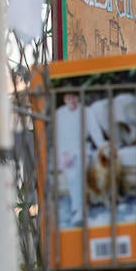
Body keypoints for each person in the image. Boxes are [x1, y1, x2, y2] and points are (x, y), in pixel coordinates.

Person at [54, 92, 86, 226]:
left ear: (77, 98)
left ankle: (78, 209)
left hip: (82, 149)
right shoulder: (60, 114)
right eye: (68, 98)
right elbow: (59, 135)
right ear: (64, 100)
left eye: (73, 97)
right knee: (72, 178)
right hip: (66, 151)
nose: (71, 100)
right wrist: (63, 152)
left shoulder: (84, 111)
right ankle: (77, 207)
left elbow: (93, 130)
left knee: (78, 175)